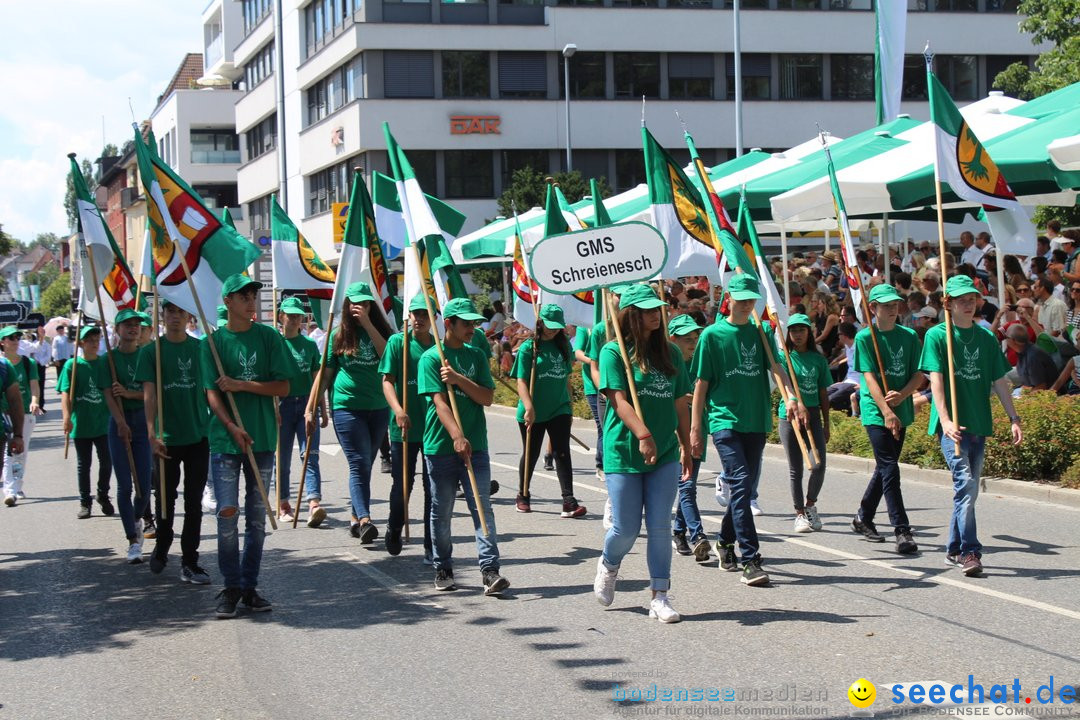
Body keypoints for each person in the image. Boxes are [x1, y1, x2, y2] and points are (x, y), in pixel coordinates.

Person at [691, 275, 803, 588]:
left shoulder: (762, 331)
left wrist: (791, 395)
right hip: (725, 420)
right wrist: (696, 428)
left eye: (750, 298)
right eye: (740, 298)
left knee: (743, 488)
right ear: (729, 298)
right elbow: (701, 383)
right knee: (740, 483)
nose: (745, 303)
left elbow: (777, 368)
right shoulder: (712, 336)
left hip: (756, 420)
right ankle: (750, 559)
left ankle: (725, 542)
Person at [592, 284, 691, 623]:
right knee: (626, 529)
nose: (655, 314)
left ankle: (659, 596)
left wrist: (687, 444)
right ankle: (609, 563)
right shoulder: (613, 352)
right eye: (648, 310)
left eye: (657, 309)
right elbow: (618, 400)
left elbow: (680, 402)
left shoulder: (671, 353)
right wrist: (642, 433)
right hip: (625, 451)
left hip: (664, 454)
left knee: (661, 525)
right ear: (631, 314)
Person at [203, 275, 298, 618]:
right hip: (224, 440)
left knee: (256, 520)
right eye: (243, 296)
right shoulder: (211, 344)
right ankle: (230, 587)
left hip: (260, 438)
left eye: (253, 295)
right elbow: (212, 392)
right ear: (227, 301)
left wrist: (242, 385)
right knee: (227, 514)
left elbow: (284, 387)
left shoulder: (269, 337)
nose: (250, 300)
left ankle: (249, 586)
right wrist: (230, 425)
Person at [919, 275, 1023, 577]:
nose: (968, 304)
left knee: (968, 491)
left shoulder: (987, 338)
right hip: (952, 428)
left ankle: (953, 547)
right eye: (961, 299)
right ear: (947, 303)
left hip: (979, 422)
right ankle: (970, 551)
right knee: (965, 485)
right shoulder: (938, 336)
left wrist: (1014, 418)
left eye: (972, 299)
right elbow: (936, 382)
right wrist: (946, 419)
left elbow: (1000, 382)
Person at [418, 297, 508, 595]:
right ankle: (443, 565)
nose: (472, 328)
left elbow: (486, 398)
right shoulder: (431, 358)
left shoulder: (476, 356)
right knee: (441, 510)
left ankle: (490, 570)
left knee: (482, 508)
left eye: (474, 323)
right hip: (440, 447)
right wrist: (456, 435)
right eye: (466, 324)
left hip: (476, 446)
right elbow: (439, 403)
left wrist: (457, 379)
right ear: (448, 325)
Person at [138, 301, 212, 584]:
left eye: (181, 312)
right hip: (166, 439)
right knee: (166, 499)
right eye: (170, 312)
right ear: (163, 315)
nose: (175, 317)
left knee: (194, 502)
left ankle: (190, 561)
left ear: (188, 316)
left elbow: (210, 390)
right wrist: (151, 434)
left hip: (197, 435)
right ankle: (163, 542)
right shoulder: (151, 352)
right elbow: (149, 396)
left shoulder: (200, 349)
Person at [317, 282, 393, 542]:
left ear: (371, 306)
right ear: (347, 306)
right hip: (347, 408)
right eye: (354, 303)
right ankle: (365, 519)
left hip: (379, 409)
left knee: (365, 465)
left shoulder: (383, 332)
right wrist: (313, 405)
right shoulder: (338, 335)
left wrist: (369, 326)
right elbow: (325, 375)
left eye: (364, 303)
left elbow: (388, 358)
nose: (358, 307)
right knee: (359, 463)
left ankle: (354, 518)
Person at [851, 285, 923, 554]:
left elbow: (919, 375)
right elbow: (868, 377)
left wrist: (903, 396)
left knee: (885, 468)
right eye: (886, 305)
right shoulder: (864, 338)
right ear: (873, 309)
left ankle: (863, 517)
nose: (892, 309)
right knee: (890, 467)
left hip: (900, 408)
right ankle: (902, 530)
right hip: (875, 409)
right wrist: (886, 411)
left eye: (895, 305)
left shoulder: (909, 336)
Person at [511, 304, 586, 518]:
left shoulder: (563, 346)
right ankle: (523, 495)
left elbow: (566, 379)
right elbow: (521, 381)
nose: (553, 330)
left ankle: (569, 501)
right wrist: (528, 406)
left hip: (559, 408)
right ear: (540, 322)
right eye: (549, 326)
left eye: (557, 326)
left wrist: (570, 405)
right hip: (533, 410)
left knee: (562, 452)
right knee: (532, 453)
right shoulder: (529, 348)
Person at [379, 294, 437, 560]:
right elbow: (387, 381)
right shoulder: (397, 343)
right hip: (404, 426)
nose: (420, 319)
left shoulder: (439, 346)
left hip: (434, 427)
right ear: (408, 316)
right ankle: (394, 526)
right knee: (404, 485)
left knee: (432, 487)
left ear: (434, 318)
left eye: (425, 314)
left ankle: (431, 542)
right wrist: (398, 410)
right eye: (415, 313)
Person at [101, 308, 154, 563]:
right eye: (127, 325)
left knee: (144, 487)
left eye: (137, 325)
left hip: (143, 423)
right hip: (119, 424)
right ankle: (132, 541)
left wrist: (130, 394)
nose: (133, 328)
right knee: (124, 485)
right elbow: (110, 395)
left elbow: (149, 393)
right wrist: (120, 422)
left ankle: (135, 519)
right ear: (117, 330)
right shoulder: (108, 360)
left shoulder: (147, 356)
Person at [776, 314, 830, 535]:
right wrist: (795, 404)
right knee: (795, 468)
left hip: (814, 414)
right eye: (793, 330)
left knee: (818, 465)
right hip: (789, 416)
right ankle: (799, 514)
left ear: (809, 332)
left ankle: (810, 506)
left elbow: (823, 392)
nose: (797, 334)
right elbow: (782, 385)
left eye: (802, 330)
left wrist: (827, 424)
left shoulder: (818, 359)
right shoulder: (784, 357)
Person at [276, 297, 327, 526]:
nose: (295, 319)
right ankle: (283, 503)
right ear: (281, 317)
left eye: (298, 315)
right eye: (290, 315)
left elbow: (317, 379)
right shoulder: (274, 343)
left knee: (310, 455)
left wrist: (322, 409)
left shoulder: (308, 345)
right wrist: (272, 408)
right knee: (283, 459)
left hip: (307, 405)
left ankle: (314, 502)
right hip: (282, 405)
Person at [665, 314, 710, 562]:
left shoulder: (698, 363)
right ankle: (697, 535)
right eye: (687, 339)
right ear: (673, 339)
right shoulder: (666, 364)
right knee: (687, 485)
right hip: (674, 432)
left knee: (687, 486)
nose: (693, 344)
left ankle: (679, 532)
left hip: (697, 431)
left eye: (695, 338)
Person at [60, 325, 113, 519]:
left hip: (103, 422)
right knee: (84, 464)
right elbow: (66, 393)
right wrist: (66, 417)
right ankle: (85, 502)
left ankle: (103, 494)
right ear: (81, 343)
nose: (94, 343)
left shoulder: (104, 363)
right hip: (81, 423)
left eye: (97, 339)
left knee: (107, 462)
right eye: (89, 340)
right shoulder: (72, 365)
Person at [1, 327, 38, 505]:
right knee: (9, 453)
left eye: (17, 337)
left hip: (23, 414)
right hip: (4, 415)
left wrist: (35, 401)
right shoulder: (2, 365)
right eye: (10, 338)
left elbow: (34, 385)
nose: (15, 341)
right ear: (2, 342)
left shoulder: (27, 362)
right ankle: (9, 489)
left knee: (19, 453)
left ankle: (17, 485)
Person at [1005, 324, 1059, 392]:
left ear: (1013, 340)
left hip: (1047, 396)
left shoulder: (1033, 356)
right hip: (1032, 392)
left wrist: (1022, 399)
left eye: (1006, 336)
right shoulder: (1023, 352)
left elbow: (1041, 387)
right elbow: (1027, 384)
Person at [827, 323, 861, 412]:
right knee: (822, 395)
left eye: (839, 334)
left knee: (830, 400)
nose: (838, 337)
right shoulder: (848, 346)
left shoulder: (859, 348)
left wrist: (863, 385)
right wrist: (841, 382)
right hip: (847, 381)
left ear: (845, 335)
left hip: (856, 383)